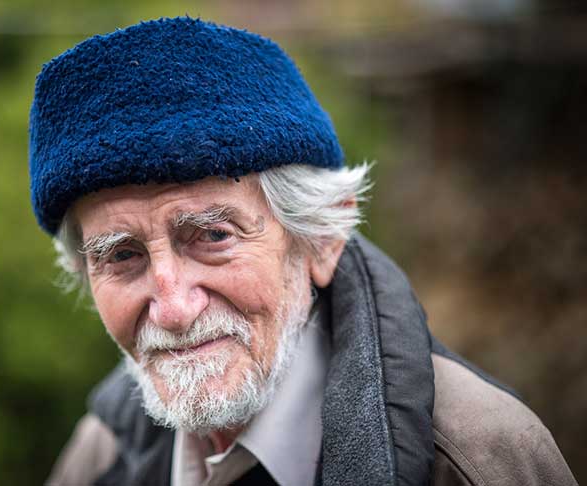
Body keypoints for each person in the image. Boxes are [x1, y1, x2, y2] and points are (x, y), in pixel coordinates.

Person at [29, 17, 576, 486]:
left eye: (213, 237)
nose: (173, 309)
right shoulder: (100, 455)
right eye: (122, 256)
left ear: (322, 238)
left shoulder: (478, 458)